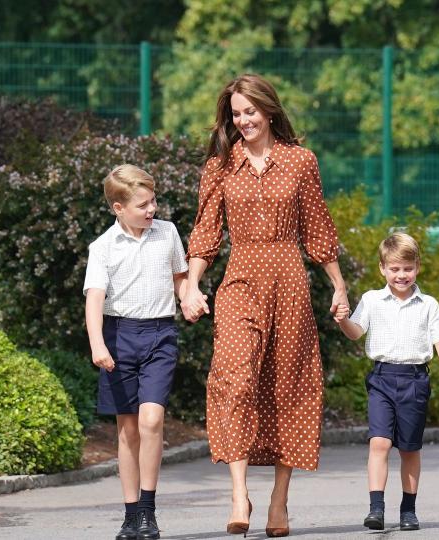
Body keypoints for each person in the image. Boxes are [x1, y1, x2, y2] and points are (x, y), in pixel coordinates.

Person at [180, 74, 348, 538]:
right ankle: (239, 494)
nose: (243, 120)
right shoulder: (221, 166)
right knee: (234, 377)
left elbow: (317, 230)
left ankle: (279, 501)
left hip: (290, 282)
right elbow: (206, 232)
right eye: (236, 114)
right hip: (240, 281)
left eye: (250, 111)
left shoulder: (301, 162)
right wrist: (192, 285)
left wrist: (338, 287)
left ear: (269, 111)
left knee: (286, 386)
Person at [84, 164, 189, 540]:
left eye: (153, 201)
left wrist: (189, 297)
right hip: (118, 337)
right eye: (143, 204)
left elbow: (180, 277)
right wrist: (98, 343)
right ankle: (131, 515)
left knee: (151, 422)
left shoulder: (168, 233)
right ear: (118, 207)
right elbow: (95, 298)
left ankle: (148, 510)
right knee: (127, 431)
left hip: (160, 334)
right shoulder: (103, 247)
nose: (151, 210)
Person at [333, 232, 439, 532]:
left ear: (417, 267)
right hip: (382, 379)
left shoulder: (427, 304)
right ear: (382, 269)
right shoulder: (372, 300)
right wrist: (342, 320)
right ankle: (376, 507)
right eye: (394, 269)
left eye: (407, 268)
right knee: (379, 442)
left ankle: (408, 510)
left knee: (409, 449)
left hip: (415, 380)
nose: (401, 275)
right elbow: (356, 331)